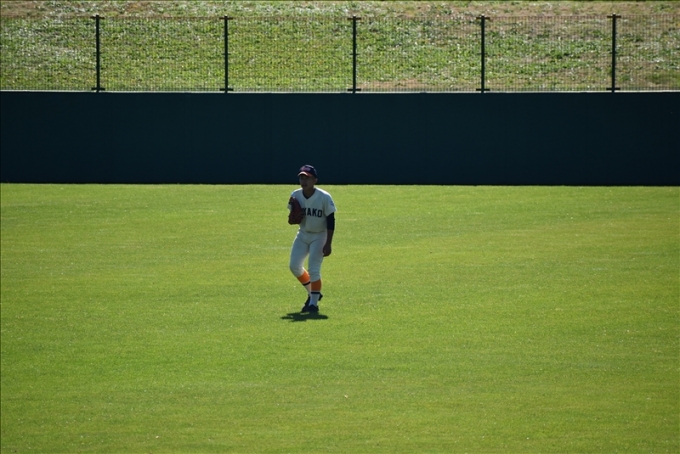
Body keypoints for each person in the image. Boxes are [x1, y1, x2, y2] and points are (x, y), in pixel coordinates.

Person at [288, 165, 336, 313]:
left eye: (307, 178)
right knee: (294, 266)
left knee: (314, 269)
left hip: (320, 235)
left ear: (315, 180)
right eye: (301, 178)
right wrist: (292, 218)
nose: (304, 181)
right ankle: (313, 293)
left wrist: (328, 243)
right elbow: (292, 218)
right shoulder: (295, 195)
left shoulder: (324, 197)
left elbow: (331, 220)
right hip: (303, 234)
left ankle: (313, 304)